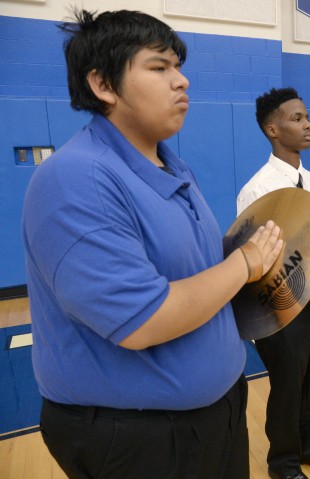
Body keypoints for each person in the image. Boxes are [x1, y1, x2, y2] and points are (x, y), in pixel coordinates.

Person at [21, 9, 283, 479]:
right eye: (159, 67)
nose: (181, 81)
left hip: (215, 413)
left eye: (179, 67)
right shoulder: (76, 176)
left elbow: (202, 276)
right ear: (102, 84)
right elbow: (142, 320)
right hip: (138, 439)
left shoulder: (174, 168)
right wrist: (245, 262)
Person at [236, 88, 310, 479]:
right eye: (296, 119)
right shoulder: (258, 189)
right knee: (288, 383)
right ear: (272, 129)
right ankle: (283, 462)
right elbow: (261, 259)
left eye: (307, 117)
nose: (307, 125)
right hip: (278, 305)